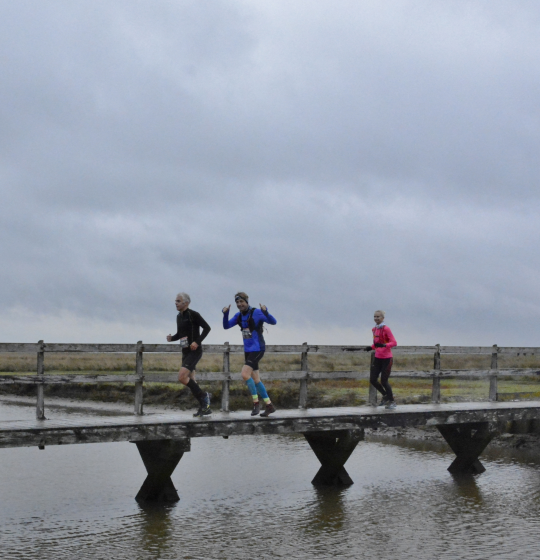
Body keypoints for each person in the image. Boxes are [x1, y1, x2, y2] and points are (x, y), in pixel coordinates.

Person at [222, 292, 277, 417]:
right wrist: (225, 314)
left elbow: (273, 322)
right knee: (256, 379)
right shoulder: (238, 315)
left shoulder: (256, 312)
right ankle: (269, 405)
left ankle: (256, 403)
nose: (239, 304)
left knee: (244, 374)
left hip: (258, 348)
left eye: (241, 302)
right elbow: (226, 326)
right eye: (237, 302)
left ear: (247, 301)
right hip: (248, 350)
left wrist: (266, 311)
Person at [167, 292, 212, 417]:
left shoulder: (193, 315)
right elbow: (181, 334)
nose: (175, 303)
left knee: (182, 377)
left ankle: (205, 396)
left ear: (186, 303)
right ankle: (204, 407)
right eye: (175, 301)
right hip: (185, 351)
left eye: (178, 301)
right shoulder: (179, 316)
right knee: (192, 381)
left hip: (194, 351)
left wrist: (197, 342)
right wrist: (172, 338)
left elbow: (207, 328)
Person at [364, 310, 397, 409]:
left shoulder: (386, 329)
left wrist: (384, 345)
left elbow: (394, 342)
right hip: (378, 358)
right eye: (375, 316)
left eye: (378, 317)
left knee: (384, 381)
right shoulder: (374, 329)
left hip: (387, 358)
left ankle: (392, 401)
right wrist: (371, 347)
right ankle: (385, 395)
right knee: (373, 379)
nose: (376, 318)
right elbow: (377, 343)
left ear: (383, 318)